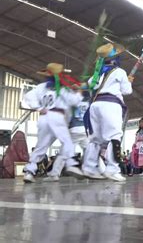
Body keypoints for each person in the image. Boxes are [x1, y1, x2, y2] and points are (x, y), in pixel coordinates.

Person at [22, 63, 84, 183]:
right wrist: (79, 91)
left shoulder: (41, 87)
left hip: (44, 117)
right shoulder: (63, 89)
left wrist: (39, 108)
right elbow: (74, 101)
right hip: (57, 117)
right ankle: (71, 164)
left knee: (41, 146)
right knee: (67, 141)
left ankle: (29, 172)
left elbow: (28, 96)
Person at [82, 43, 133, 182]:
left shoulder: (97, 73)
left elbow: (90, 85)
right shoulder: (119, 72)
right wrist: (128, 81)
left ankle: (89, 167)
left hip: (95, 105)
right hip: (110, 105)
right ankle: (112, 169)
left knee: (95, 139)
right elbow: (127, 91)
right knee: (115, 136)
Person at [46, 90, 91, 182]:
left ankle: (54, 174)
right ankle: (99, 170)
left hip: (74, 129)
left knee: (63, 152)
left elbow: (66, 117)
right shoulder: (88, 103)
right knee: (90, 150)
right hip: (85, 130)